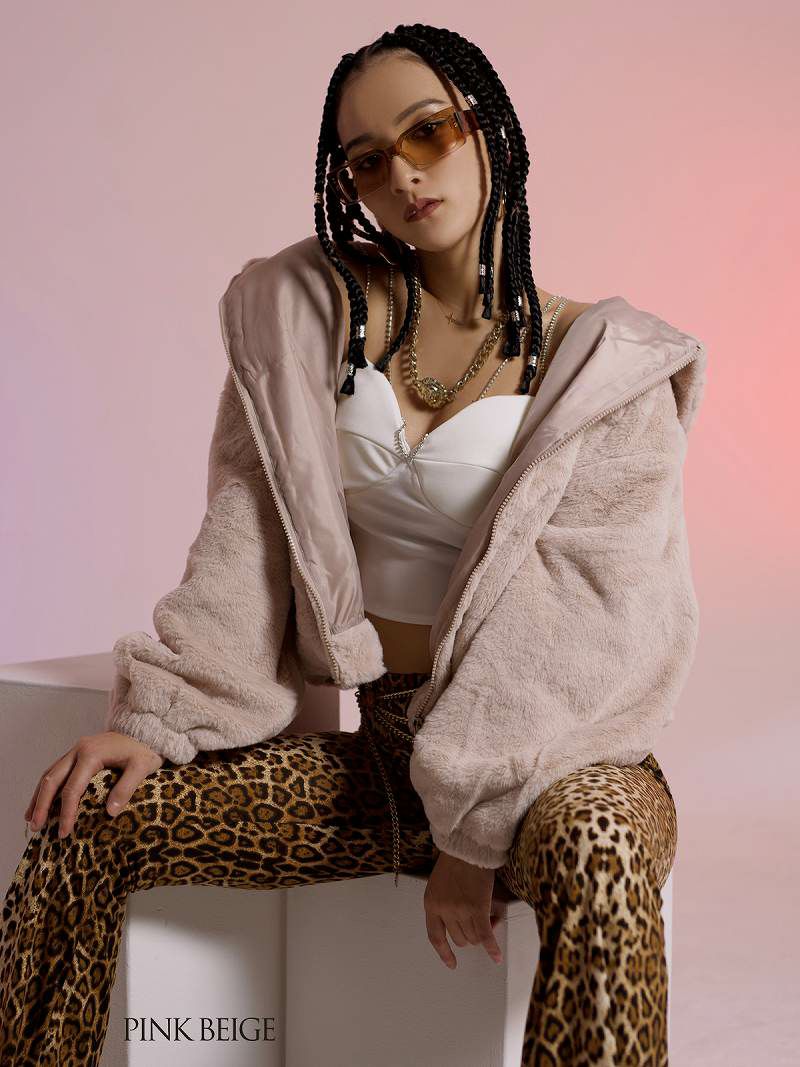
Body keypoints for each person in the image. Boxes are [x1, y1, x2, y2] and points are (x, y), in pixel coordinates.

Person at [0, 23, 707, 1067]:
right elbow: (248, 530)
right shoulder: (305, 329)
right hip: (380, 757)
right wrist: (161, 717)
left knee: (601, 847)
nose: (403, 174)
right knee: (88, 820)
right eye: (368, 160)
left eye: (428, 133)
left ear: (489, 130)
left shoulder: (607, 366)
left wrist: (472, 835)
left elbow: (580, 621)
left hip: (551, 761)